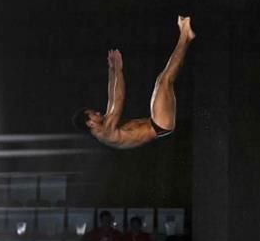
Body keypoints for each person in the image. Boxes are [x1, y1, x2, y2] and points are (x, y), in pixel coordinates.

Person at [74, 16, 195, 149]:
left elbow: (112, 98)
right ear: (90, 123)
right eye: (94, 114)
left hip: (156, 122)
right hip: (159, 124)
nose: (98, 112)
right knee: (164, 80)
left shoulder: (104, 125)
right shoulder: (105, 132)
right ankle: (184, 33)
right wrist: (119, 70)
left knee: (164, 80)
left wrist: (112, 69)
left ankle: (186, 38)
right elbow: (119, 100)